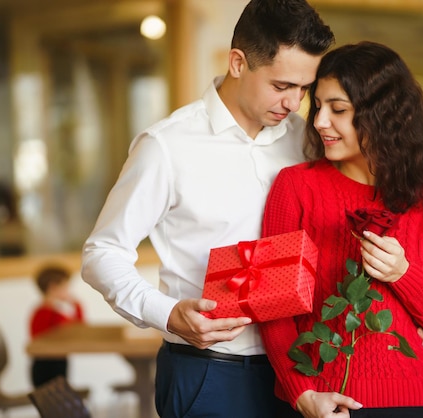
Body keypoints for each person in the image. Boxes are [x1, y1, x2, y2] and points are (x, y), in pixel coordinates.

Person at [80, 1, 335, 417]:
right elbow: (102, 253)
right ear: (238, 62)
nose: (294, 103)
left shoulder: (307, 141)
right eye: (281, 85)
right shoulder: (167, 146)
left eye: (304, 88)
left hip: (300, 370)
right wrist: (167, 314)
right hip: (208, 372)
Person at [259, 41, 423, 418]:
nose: (319, 121)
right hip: (319, 404)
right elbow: (273, 310)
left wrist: (403, 275)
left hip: (408, 402)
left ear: (384, 116)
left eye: (338, 109)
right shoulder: (294, 187)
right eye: (319, 105)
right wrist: (303, 394)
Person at [29, 264, 85, 387]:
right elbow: (54, 334)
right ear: (53, 288)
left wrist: (75, 304)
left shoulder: (61, 309)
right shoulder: (43, 312)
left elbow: (80, 326)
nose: (69, 291)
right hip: (45, 366)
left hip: (60, 360)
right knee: (52, 402)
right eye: (65, 287)